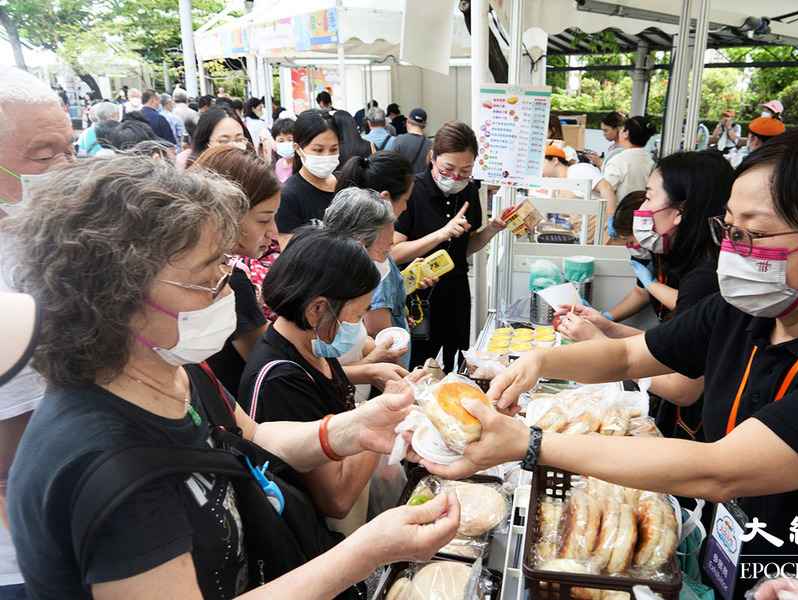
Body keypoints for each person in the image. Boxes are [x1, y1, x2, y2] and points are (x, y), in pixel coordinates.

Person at [431, 128, 798, 599]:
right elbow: (631, 354)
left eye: (753, 234)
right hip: (730, 562)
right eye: (728, 229)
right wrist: (541, 359)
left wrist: (530, 443)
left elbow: (721, 469)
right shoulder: (747, 310)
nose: (732, 249)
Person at [3, 155, 460, 600]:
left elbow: (254, 435)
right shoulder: (110, 468)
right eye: (209, 274)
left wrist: (356, 427)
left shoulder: (178, 372)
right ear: (118, 296)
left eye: (226, 264)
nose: (228, 284)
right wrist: (366, 550)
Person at [238, 228, 407, 535]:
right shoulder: (280, 380)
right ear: (317, 309)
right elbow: (337, 498)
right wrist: (384, 419)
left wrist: (373, 377)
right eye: (357, 315)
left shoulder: (315, 344)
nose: (358, 327)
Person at [563, 151, 734, 441]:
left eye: (649, 197)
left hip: (697, 431)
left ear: (681, 211)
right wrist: (609, 328)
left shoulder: (704, 278)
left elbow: (682, 387)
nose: (643, 208)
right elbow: (671, 346)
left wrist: (600, 343)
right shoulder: (691, 261)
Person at [0, 66, 73, 600]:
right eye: (45, 157)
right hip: (31, 555)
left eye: (71, 149)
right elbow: (15, 445)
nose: (67, 169)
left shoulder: (42, 235)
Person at [392, 121, 506, 369]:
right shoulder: (413, 191)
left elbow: (464, 248)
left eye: (465, 170)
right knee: (418, 365)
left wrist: (491, 230)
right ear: (433, 158)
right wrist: (441, 234)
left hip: (455, 291)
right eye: (448, 168)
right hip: (418, 295)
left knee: (455, 364)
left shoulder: (469, 193)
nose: (456, 177)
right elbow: (394, 252)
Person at [190, 146, 279, 397]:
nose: (273, 231)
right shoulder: (229, 279)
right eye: (263, 219)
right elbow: (266, 362)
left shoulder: (222, 270)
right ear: (227, 213)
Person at [336, 153, 429, 371]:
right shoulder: (370, 269)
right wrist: (386, 368)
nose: (406, 208)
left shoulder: (372, 261)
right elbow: (378, 333)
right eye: (406, 200)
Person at [322, 189, 411, 407]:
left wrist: (376, 350)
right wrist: (371, 367)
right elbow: (308, 373)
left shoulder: (351, 292)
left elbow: (356, 341)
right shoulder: (321, 301)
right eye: (384, 252)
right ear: (358, 247)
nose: (387, 261)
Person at [276, 110, 340, 241]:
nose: (327, 156)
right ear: (298, 149)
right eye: (318, 150)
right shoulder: (288, 196)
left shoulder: (344, 183)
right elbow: (290, 253)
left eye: (334, 149)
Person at [597, 115, 656, 233]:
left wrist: (610, 220)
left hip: (621, 218)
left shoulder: (619, 160)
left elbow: (607, 190)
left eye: (622, 129)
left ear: (626, 133)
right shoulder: (650, 160)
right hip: (642, 218)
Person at [176, 107, 251, 169]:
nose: (233, 146)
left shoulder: (253, 172)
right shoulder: (195, 177)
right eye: (224, 141)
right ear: (206, 143)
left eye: (239, 140)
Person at [386, 108, 432, 174]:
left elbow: (390, 165)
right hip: (422, 183)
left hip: (404, 182)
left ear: (407, 121)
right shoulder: (430, 144)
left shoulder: (399, 140)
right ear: (424, 125)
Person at [271, 117, 296, 183]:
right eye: (281, 140)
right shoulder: (278, 164)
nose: (286, 143)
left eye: (290, 140)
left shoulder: (301, 165)